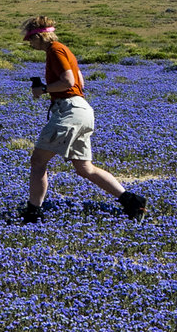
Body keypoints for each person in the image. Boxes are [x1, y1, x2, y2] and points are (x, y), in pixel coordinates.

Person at [17, 16, 147, 223]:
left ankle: (33, 213)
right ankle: (132, 201)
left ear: (40, 36)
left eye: (30, 40)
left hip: (69, 111)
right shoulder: (65, 50)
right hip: (82, 110)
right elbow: (80, 80)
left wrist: (43, 89)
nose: (30, 44)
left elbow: (68, 82)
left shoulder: (55, 50)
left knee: (38, 161)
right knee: (84, 168)